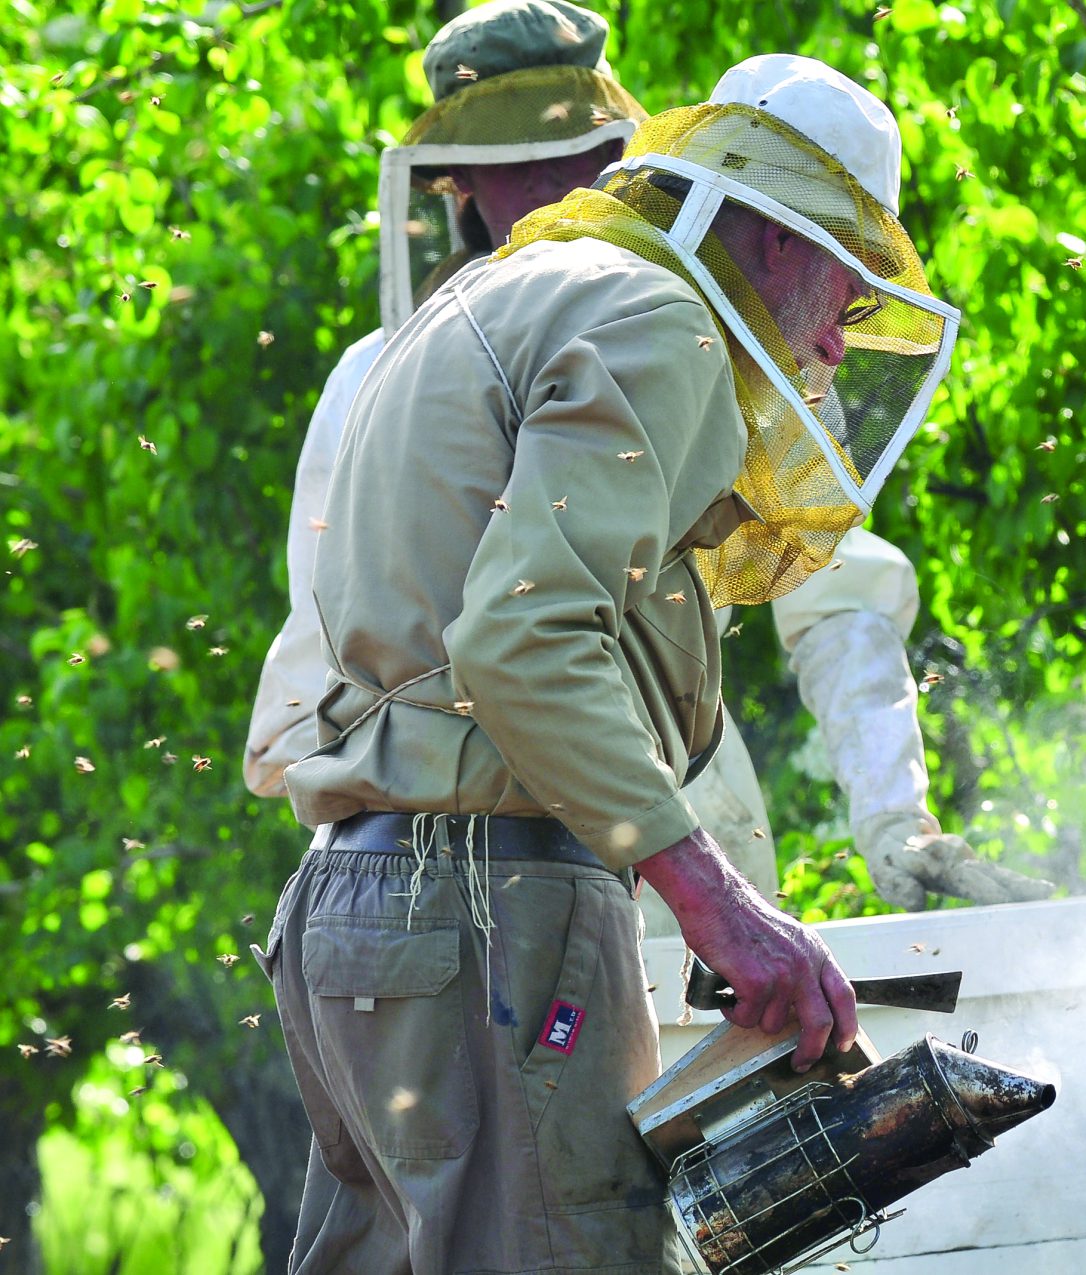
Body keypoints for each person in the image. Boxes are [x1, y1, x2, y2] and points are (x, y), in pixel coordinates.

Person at [254, 41, 965, 1273]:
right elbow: (524, 638)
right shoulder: (663, 321)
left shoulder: (512, 292)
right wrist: (718, 903)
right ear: (784, 238)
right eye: (845, 299)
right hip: (490, 903)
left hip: (356, 906)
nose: (839, 348)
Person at [245, 0, 1044, 931]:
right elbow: (345, 661)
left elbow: (838, 592)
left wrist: (895, 812)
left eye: (577, 162)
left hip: (676, 852)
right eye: (514, 169)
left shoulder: (701, 344)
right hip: (474, 870)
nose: (551, 192)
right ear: (457, 183)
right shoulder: (383, 374)